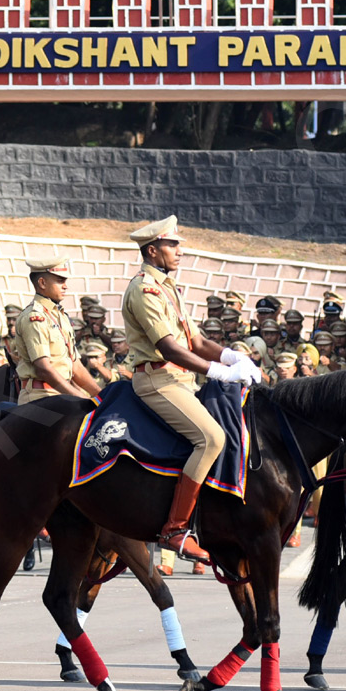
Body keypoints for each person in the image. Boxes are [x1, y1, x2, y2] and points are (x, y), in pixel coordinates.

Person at [122, 216, 260, 562]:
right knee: (211, 438)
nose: (180, 251)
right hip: (157, 380)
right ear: (153, 250)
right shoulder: (144, 289)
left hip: (181, 380)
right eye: (173, 245)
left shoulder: (168, 288)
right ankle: (175, 529)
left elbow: (195, 340)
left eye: (178, 244)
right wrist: (220, 372)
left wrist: (233, 357)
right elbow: (169, 347)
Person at [12, 257, 101, 403]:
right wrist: (82, 398)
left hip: (62, 396)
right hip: (40, 397)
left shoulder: (60, 316)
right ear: (42, 283)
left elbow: (75, 366)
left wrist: (100, 396)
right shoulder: (35, 317)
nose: (65, 286)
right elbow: (44, 369)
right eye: (60, 281)